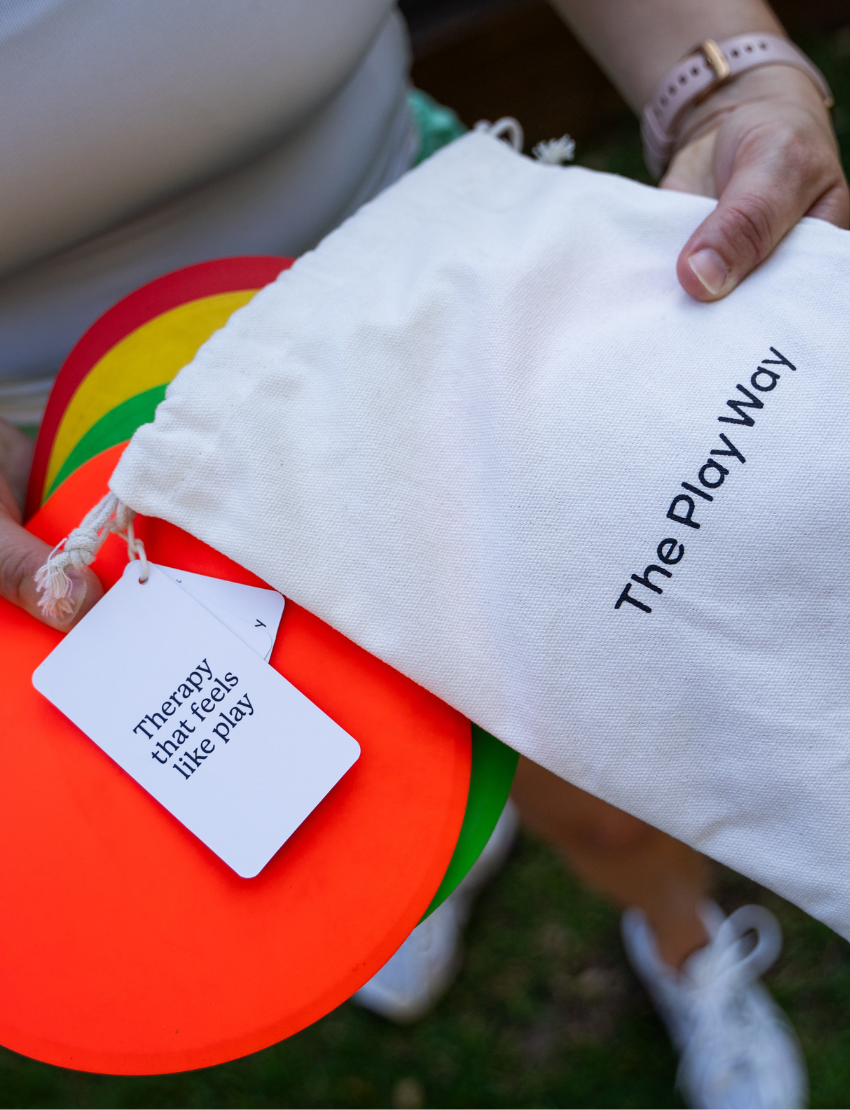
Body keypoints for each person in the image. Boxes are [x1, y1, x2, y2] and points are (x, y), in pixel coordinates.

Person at [0, 2, 846, 1105]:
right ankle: (412, 858)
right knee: (305, 805)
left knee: (614, 773)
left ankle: (680, 939)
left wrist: (727, 74)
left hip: (440, 310)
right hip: (87, 469)